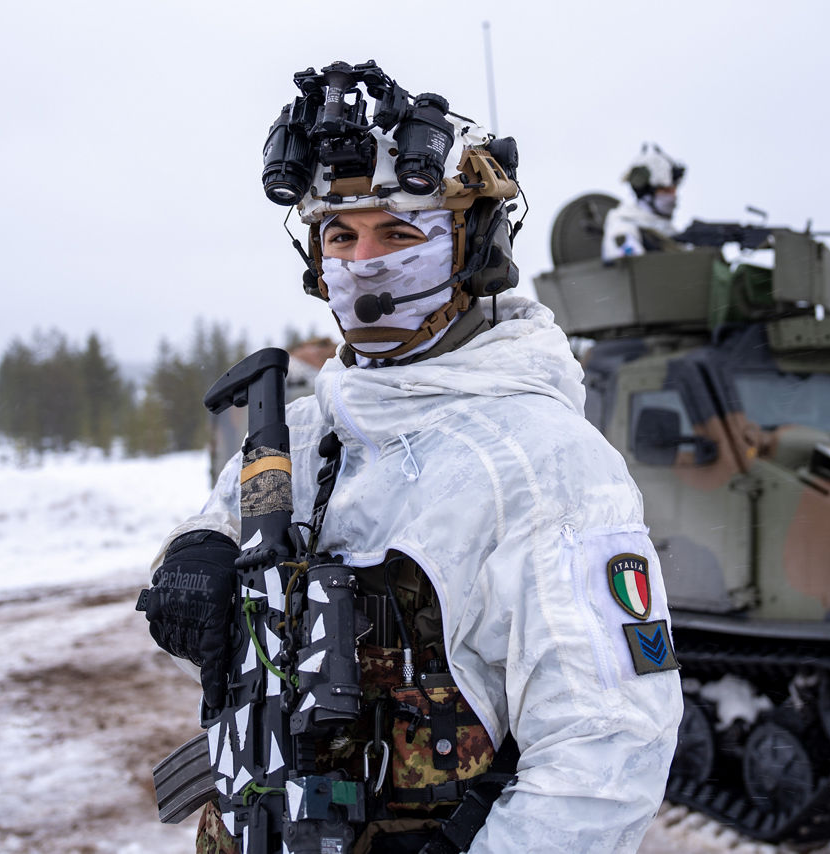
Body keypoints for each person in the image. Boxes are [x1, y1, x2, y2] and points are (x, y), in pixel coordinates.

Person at [142, 60, 682, 854]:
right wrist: (199, 548)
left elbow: (606, 757)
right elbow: (229, 512)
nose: (367, 263)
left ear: (475, 246)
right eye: (341, 234)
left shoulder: (547, 463)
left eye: (400, 232)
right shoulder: (308, 426)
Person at [601, 143, 686, 261]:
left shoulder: (666, 228)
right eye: (666, 190)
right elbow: (637, 269)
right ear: (646, 194)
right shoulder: (623, 227)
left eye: (673, 190)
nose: (673, 196)